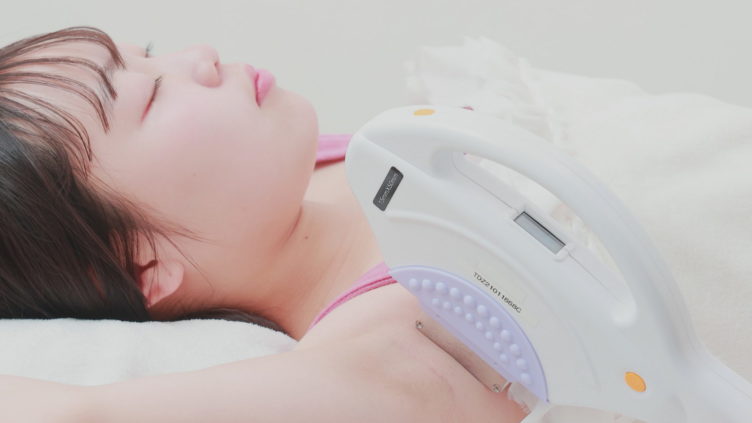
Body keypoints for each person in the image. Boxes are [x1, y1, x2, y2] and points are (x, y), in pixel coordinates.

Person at [0, 26, 529, 422]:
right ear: (143, 266)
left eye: (149, 53)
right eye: (152, 93)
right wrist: (81, 409)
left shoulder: (310, 166)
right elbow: (383, 390)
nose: (202, 55)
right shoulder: (399, 327)